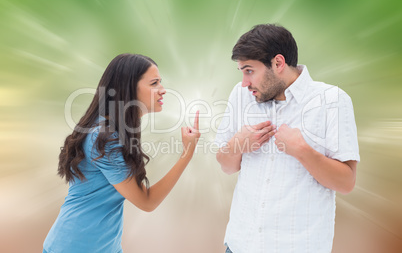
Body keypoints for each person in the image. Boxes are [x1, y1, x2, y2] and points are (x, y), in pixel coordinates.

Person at [215, 24, 360, 253]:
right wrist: (237, 144)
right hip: (240, 244)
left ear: (278, 63)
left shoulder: (332, 100)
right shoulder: (241, 95)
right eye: (241, 72)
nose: (244, 82)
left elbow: (346, 183)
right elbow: (225, 166)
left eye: (249, 71)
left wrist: (303, 151)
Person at [43, 53, 200, 253]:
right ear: (128, 88)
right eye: (154, 83)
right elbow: (147, 201)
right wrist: (187, 153)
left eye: (161, 82)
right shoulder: (105, 138)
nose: (163, 90)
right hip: (75, 246)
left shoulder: (112, 130)